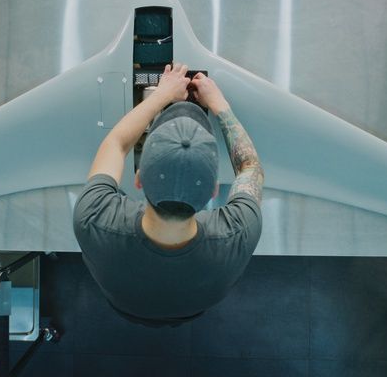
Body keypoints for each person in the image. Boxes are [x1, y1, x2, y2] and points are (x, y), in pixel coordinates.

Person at [72, 62, 264, 326]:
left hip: (125, 306)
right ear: (213, 191)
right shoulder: (238, 233)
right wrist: (219, 105)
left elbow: (116, 144)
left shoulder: (93, 219)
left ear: (138, 178)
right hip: (190, 311)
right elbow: (249, 166)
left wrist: (162, 95)